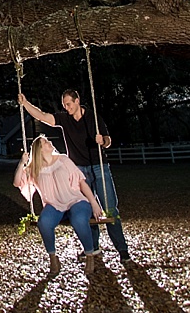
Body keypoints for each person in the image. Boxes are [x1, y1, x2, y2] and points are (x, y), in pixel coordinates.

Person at [19, 89, 133, 262]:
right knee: (86, 209)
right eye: (64, 105)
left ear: (77, 101)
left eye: (69, 104)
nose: (66, 107)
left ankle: (122, 249)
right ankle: (93, 248)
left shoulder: (94, 118)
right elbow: (43, 116)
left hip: (98, 167)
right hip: (78, 168)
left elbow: (109, 141)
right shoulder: (65, 119)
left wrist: (103, 141)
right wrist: (26, 103)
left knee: (110, 208)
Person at [13, 135, 105, 277]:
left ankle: (89, 255)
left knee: (79, 220)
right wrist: (22, 163)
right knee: (44, 222)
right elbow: (17, 182)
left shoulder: (63, 160)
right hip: (54, 205)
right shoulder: (34, 168)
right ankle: (53, 258)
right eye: (45, 142)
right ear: (39, 150)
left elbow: (81, 182)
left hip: (76, 201)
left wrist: (93, 202)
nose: (49, 142)